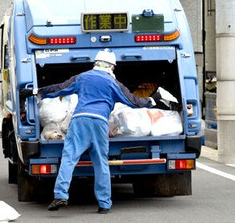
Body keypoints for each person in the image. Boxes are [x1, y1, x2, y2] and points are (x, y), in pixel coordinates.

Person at [20, 48, 163, 214]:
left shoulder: (83, 77)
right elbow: (134, 102)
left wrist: (35, 91)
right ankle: (104, 204)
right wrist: (153, 100)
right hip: (100, 123)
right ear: (112, 67)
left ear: (95, 63)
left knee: (69, 157)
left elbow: (60, 88)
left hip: (80, 120)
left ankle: (60, 194)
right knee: (101, 162)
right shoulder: (113, 83)